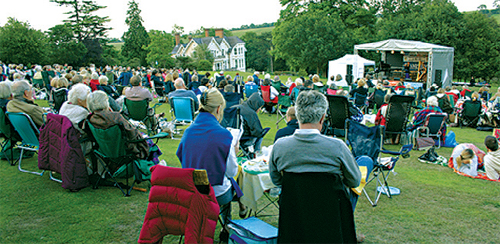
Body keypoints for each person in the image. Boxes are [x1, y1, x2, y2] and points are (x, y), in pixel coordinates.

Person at [268, 90, 362, 242]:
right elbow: (354, 181)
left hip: (294, 215)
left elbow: (276, 180)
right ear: (323, 117)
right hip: (330, 218)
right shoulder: (337, 147)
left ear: (297, 115)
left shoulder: (280, 147)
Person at [176, 88, 247, 228]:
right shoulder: (224, 135)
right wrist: (234, 150)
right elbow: (231, 172)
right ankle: (227, 225)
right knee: (234, 180)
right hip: (216, 193)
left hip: (192, 190)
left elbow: (181, 157)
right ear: (219, 108)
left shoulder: (188, 131)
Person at [86, 90, 149, 160]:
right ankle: (153, 168)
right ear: (105, 102)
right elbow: (132, 133)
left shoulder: (90, 119)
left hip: (105, 153)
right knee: (149, 143)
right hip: (125, 153)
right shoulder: (115, 117)